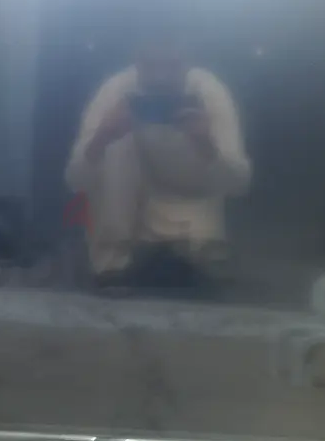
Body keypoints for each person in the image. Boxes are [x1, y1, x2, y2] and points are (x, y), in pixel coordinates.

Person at [65, 36, 251, 288]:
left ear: (188, 63)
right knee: (116, 144)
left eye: (172, 66)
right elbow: (75, 180)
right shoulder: (116, 91)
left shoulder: (209, 93)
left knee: (198, 274)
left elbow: (239, 184)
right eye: (150, 66)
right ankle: (111, 264)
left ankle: (196, 254)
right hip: (130, 202)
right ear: (136, 62)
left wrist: (207, 145)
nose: (161, 78)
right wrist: (102, 137)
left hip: (191, 202)